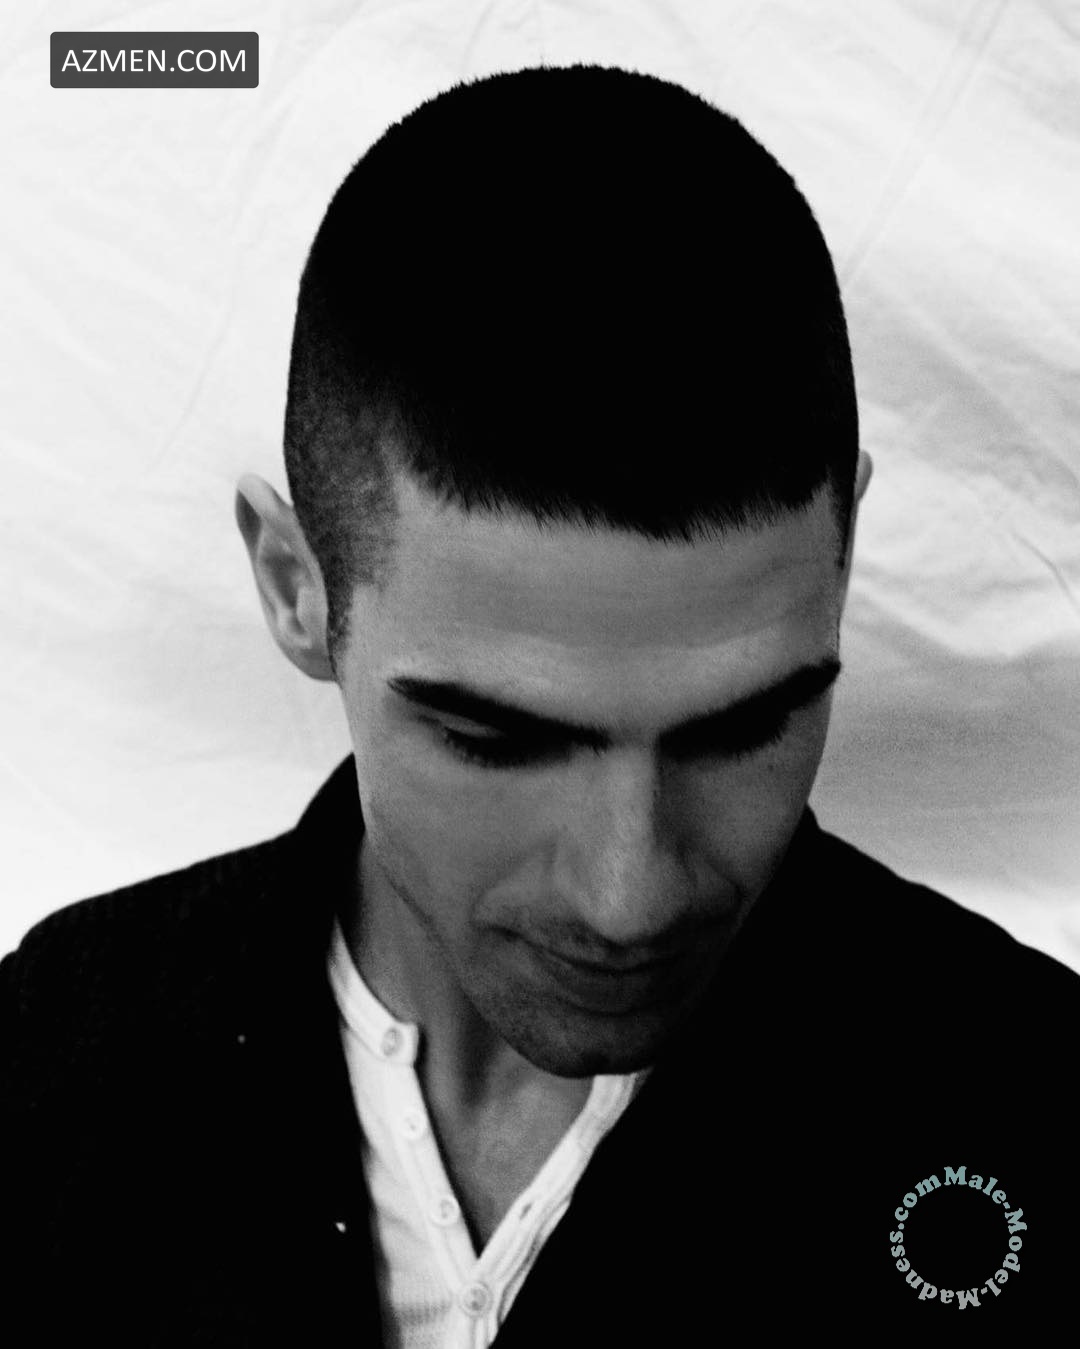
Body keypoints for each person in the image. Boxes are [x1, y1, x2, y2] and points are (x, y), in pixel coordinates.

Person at [3, 64, 1076, 1345]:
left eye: (744, 728)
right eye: (495, 740)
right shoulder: (49, 1059)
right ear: (296, 588)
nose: (629, 896)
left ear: (839, 569)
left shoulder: (1038, 1113)